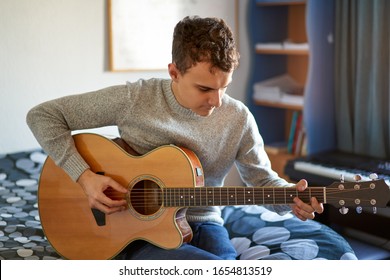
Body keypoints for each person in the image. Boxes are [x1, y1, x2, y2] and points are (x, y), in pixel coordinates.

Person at [27, 16, 324, 260]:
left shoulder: (239, 118)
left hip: (203, 220)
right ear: (174, 72)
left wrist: (292, 199)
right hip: (130, 227)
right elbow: (42, 116)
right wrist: (85, 177)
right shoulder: (136, 98)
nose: (217, 101)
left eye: (224, 87)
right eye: (205, 89)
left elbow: (262, 182)